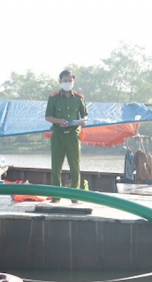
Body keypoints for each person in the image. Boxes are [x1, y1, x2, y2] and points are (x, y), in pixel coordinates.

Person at [45, 69, 88, 203]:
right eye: (65, 81)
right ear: (60, 82)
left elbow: (85, 115)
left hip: (73, 136)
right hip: (58, 135)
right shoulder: (54, 97)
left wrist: (83, 120)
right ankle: (56, 197)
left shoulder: (79, 98)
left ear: (73, 81)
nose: (67, 83)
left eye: (70, 81)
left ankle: (74, 197)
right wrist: (59, 121)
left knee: (74, 166)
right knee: (56, 166)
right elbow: (48, 117)